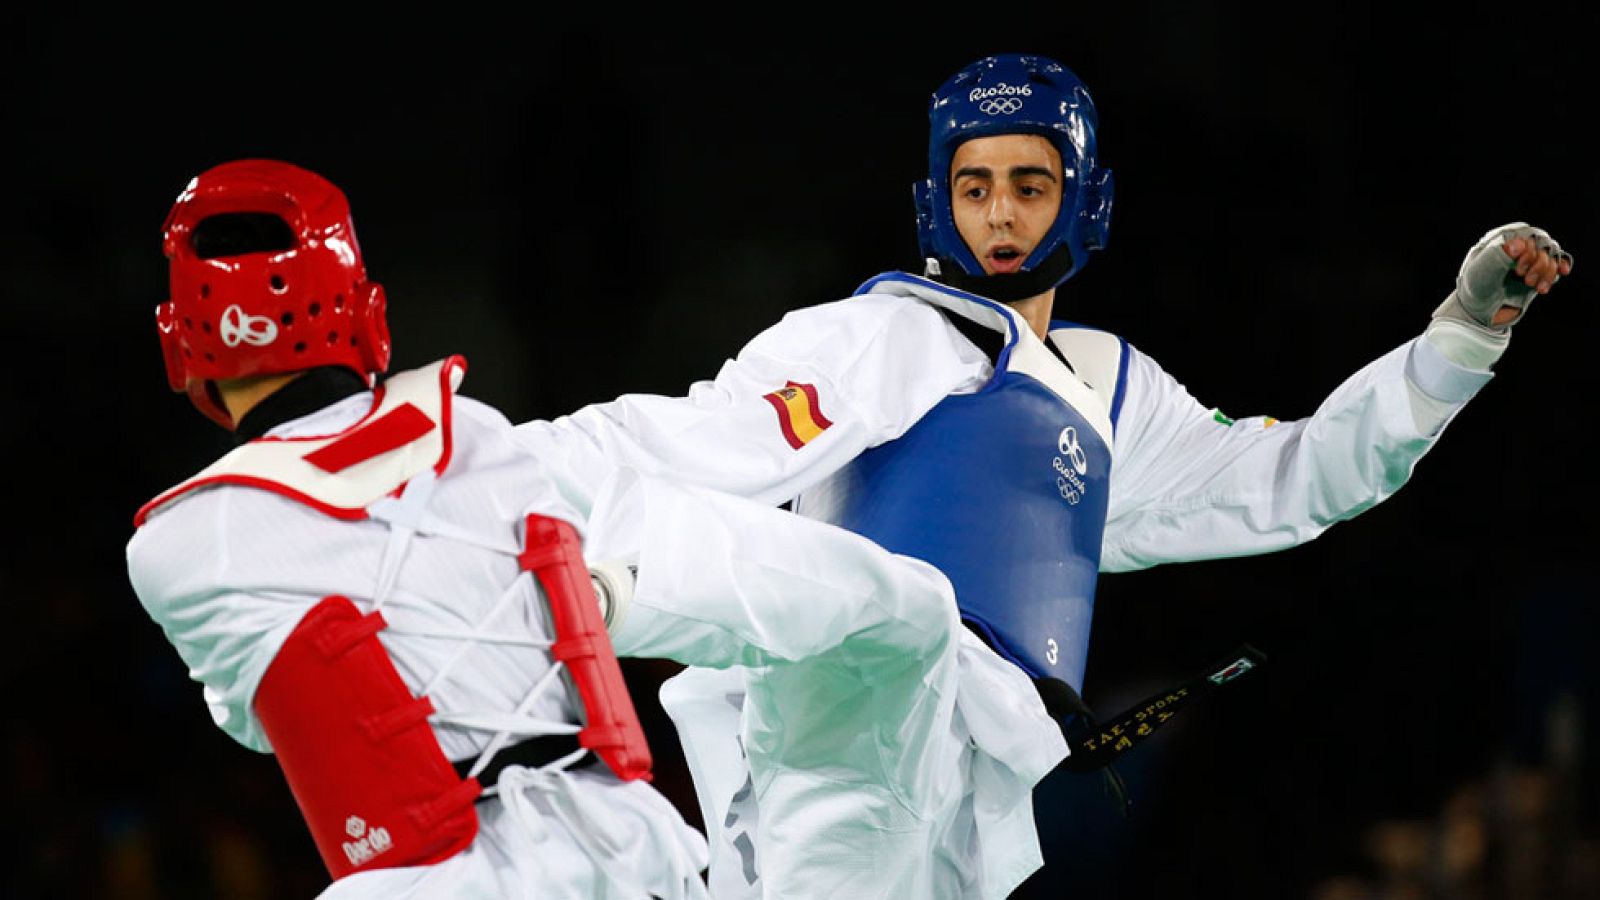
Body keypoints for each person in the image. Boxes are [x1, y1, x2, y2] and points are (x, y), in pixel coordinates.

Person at [511, 52, 1574, 899]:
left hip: (977, 774)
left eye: (1029, 184)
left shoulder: (1113, 389)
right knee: (901, 613)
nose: (1002, 215)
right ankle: (582, 592)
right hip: (853, 707)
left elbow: (1303, 475)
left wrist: (1460, 338)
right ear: (937, 201)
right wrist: (484, 475)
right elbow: (693, 438)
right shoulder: (882, 334)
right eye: (974, 187)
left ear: (1082, 195)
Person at [125, 158, 990, 899]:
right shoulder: (493, 445)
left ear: (182, 344)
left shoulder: (181, 548)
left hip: (437, 882)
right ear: (363, 313)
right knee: (896, 614)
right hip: (631, 857)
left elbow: (258, 720)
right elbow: (691, 446)